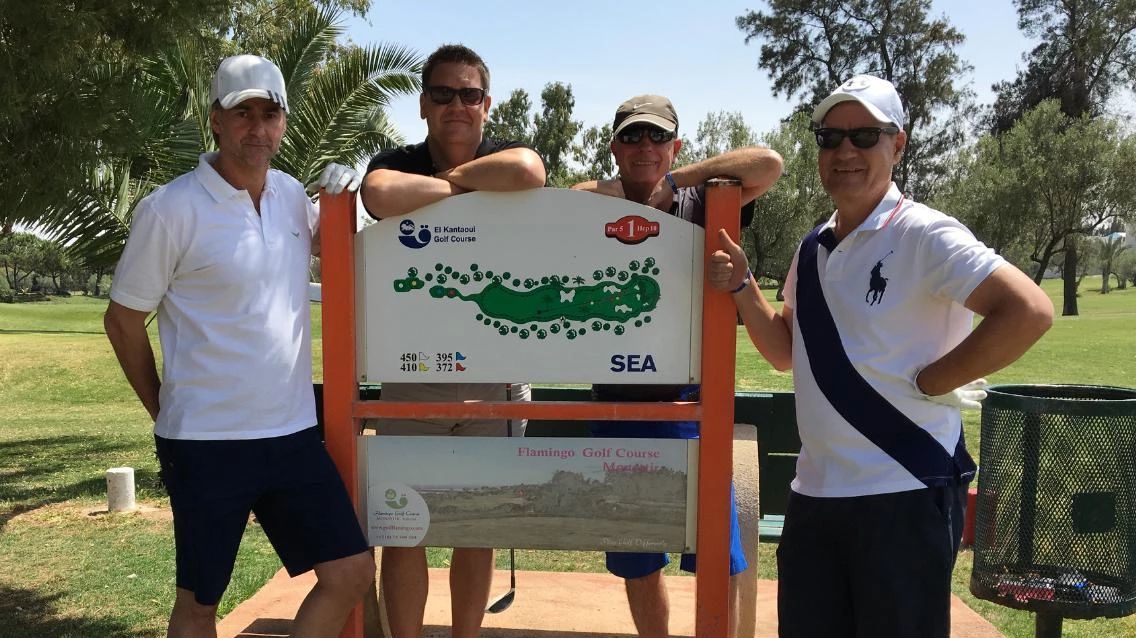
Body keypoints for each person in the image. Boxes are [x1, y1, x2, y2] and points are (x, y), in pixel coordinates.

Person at [707, 75, 1054, 637]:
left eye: (865, 136)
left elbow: (1029, 311)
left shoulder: (926, 234)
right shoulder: (812, 247)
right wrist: (744, 284)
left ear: (898, 144)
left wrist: (935, 379)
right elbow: (784, 351)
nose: (845, 150)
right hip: (815, 495)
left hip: (905, 492)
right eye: (830, 137)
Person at [104, 54, 373, 638]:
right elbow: (123, 321)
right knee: (200, 603)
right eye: (242, 113)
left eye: (269, 114)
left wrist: (345, 198)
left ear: (284, 122)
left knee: (350, 573)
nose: (257, 128)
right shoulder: (170, 209)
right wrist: (164, 409)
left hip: (292, 434)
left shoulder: (292, 196)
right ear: (216, 121)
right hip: (206, 443)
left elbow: (347, 250)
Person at [571, 95, 783, 638]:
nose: (644, 146)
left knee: (717, 556)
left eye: (657, 137)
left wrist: (674, 180)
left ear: (675, 145)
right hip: (616, 404)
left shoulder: (704, 200)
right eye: (632, 136)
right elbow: (563, 199)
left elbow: (769, 164)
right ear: (614, 147)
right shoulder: (596, 205)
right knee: (638, 558)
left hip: (691, 403)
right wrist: (604, 191)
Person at [359, 43, 546, 638]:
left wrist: (440, 185)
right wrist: (470, 189)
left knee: (476, 530)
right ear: (423, 104)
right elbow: (378, 194)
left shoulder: (505, 154)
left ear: (487, 104)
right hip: (411, 380)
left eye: (469, 94)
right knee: (402, 529)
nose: (457, 105)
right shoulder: (397, 159)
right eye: (443, 94)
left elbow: (529, 172)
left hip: (495, 384)